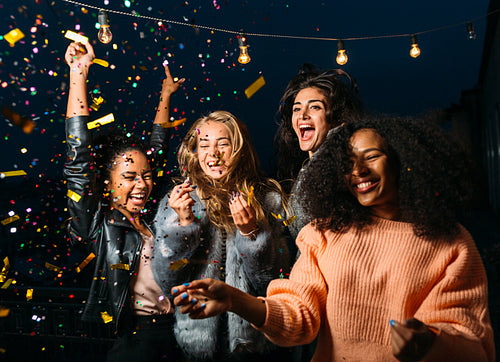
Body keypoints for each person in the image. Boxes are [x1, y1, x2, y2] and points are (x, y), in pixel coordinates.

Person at [171, 115, 495, 361]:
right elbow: (299, 318)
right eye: (348, 163)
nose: (358, 170)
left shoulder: (450, 243)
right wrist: (236, 301)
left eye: (371, 156)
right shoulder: (322, 233)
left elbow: (473, 344)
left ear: (401, 160)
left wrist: (430, 343)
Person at [63, 40, 184, 361]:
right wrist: (78, 74)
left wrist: (165, 96)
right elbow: (78, 160)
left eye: (145, 177)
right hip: (137, 340)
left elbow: (157, 151)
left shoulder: (151, 220)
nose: (142, 184)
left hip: (179, 331)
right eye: (129, 177)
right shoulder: (97, 224)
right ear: (107, 182)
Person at [151, 110, 292, 361]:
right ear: (195, 152)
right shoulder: (176, 202)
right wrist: (183, 226)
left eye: (222, 144)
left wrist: (252, 234)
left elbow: (274, 282)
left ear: (238, 148)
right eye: (204, 145)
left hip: (257, 345)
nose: (213, 154)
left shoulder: (267, 200)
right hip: (195, 346)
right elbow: (167, 283)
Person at [274, 64, 364, 243]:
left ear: (335, 119)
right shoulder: (305, 171)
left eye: (314, 107)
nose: (303, 115)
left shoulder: (342, 168)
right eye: (297, 109)